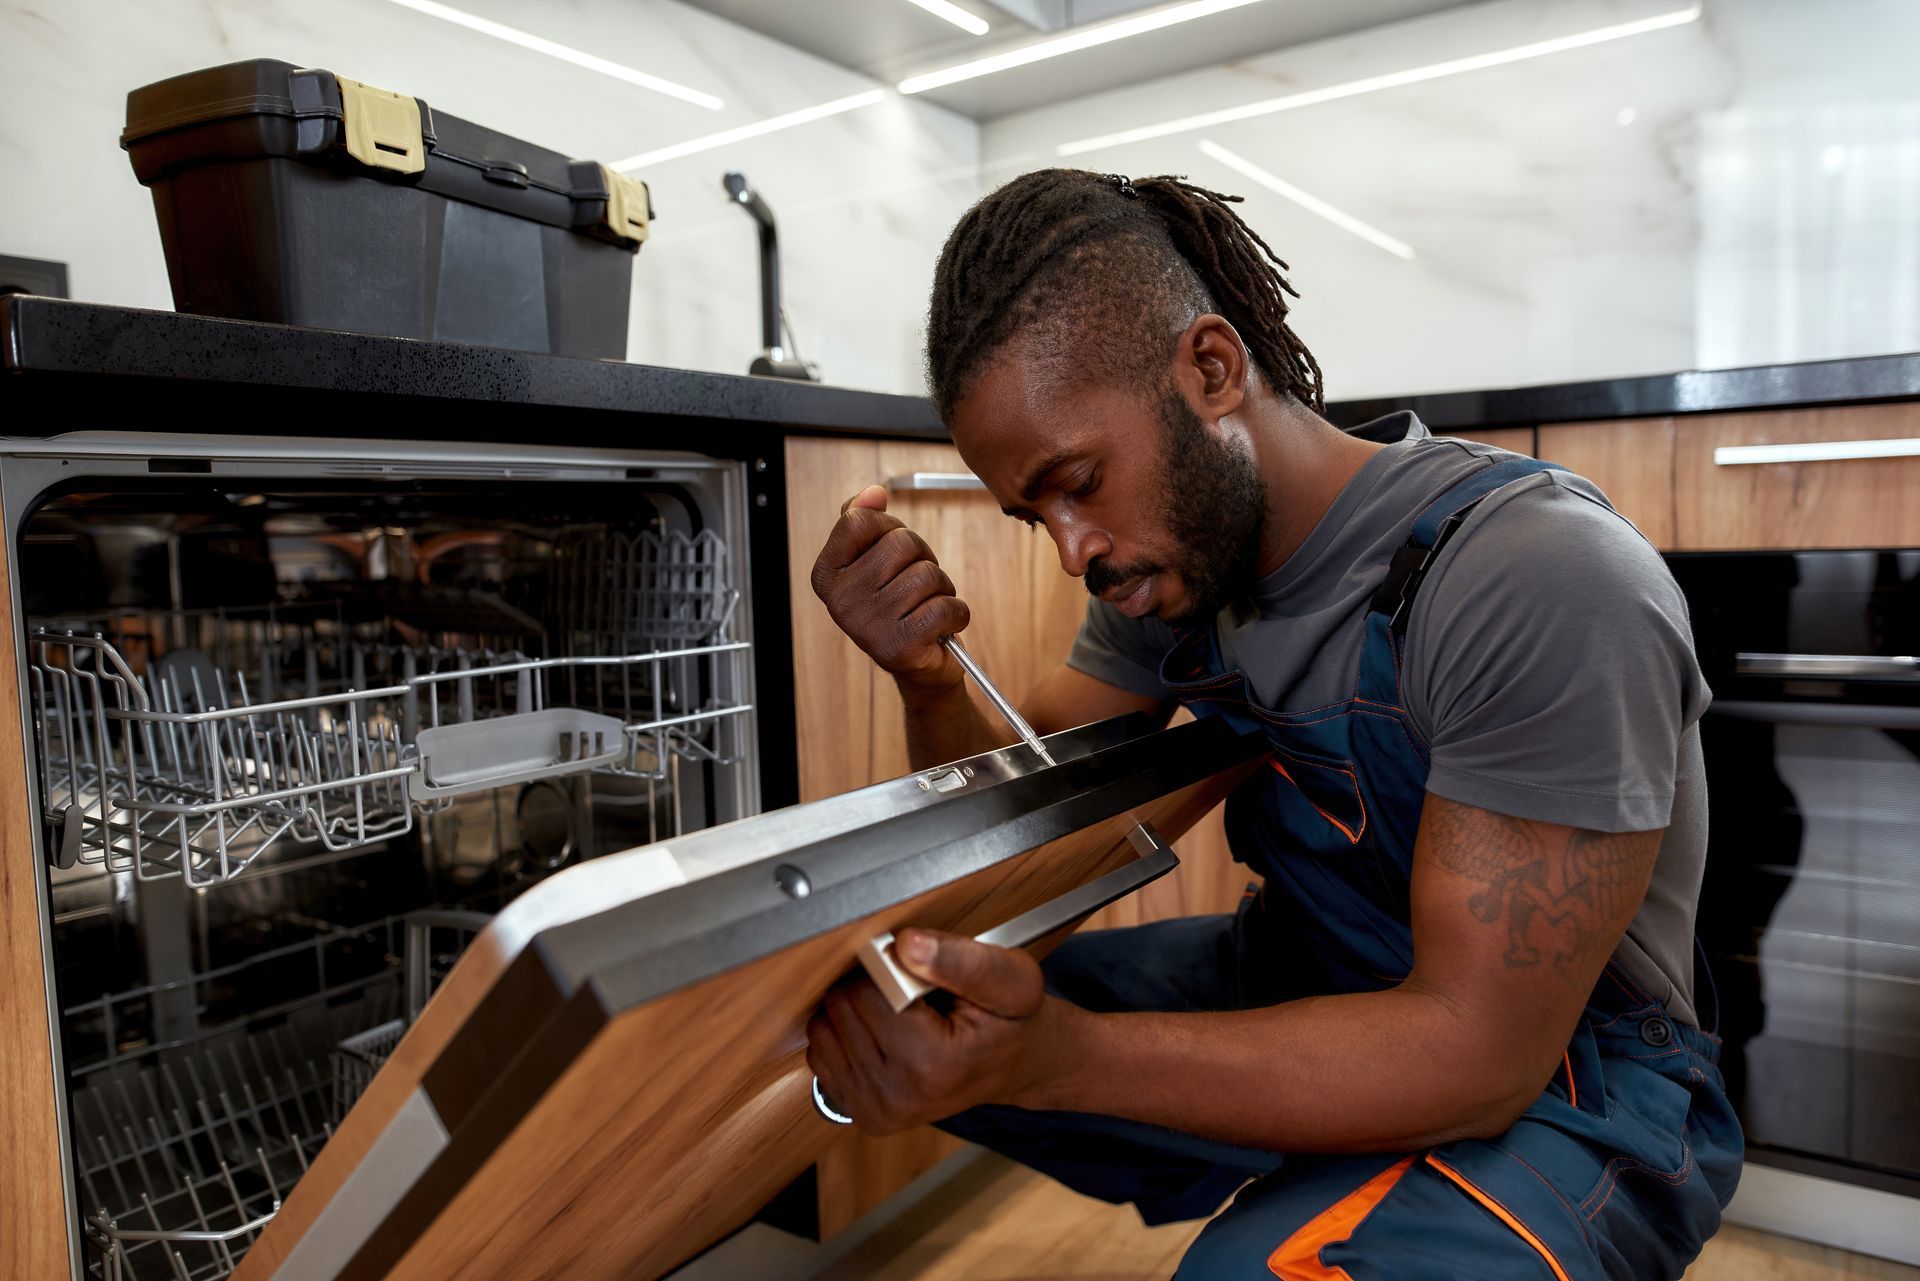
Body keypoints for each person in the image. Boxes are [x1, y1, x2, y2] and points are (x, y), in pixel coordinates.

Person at [804, 169, 1741, 1280]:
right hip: (1313, 968)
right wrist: (927, 683)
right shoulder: (1173, 566)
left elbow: (1482, 1055)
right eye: (1033, 515)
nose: (1071, 550)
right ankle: (1316, 1160)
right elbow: (1027, 841)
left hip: (1570, 1072)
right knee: (889, 1021)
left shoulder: (1530, 577)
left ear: (1210, 368)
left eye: (1080, 483)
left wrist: (1055, 1063)